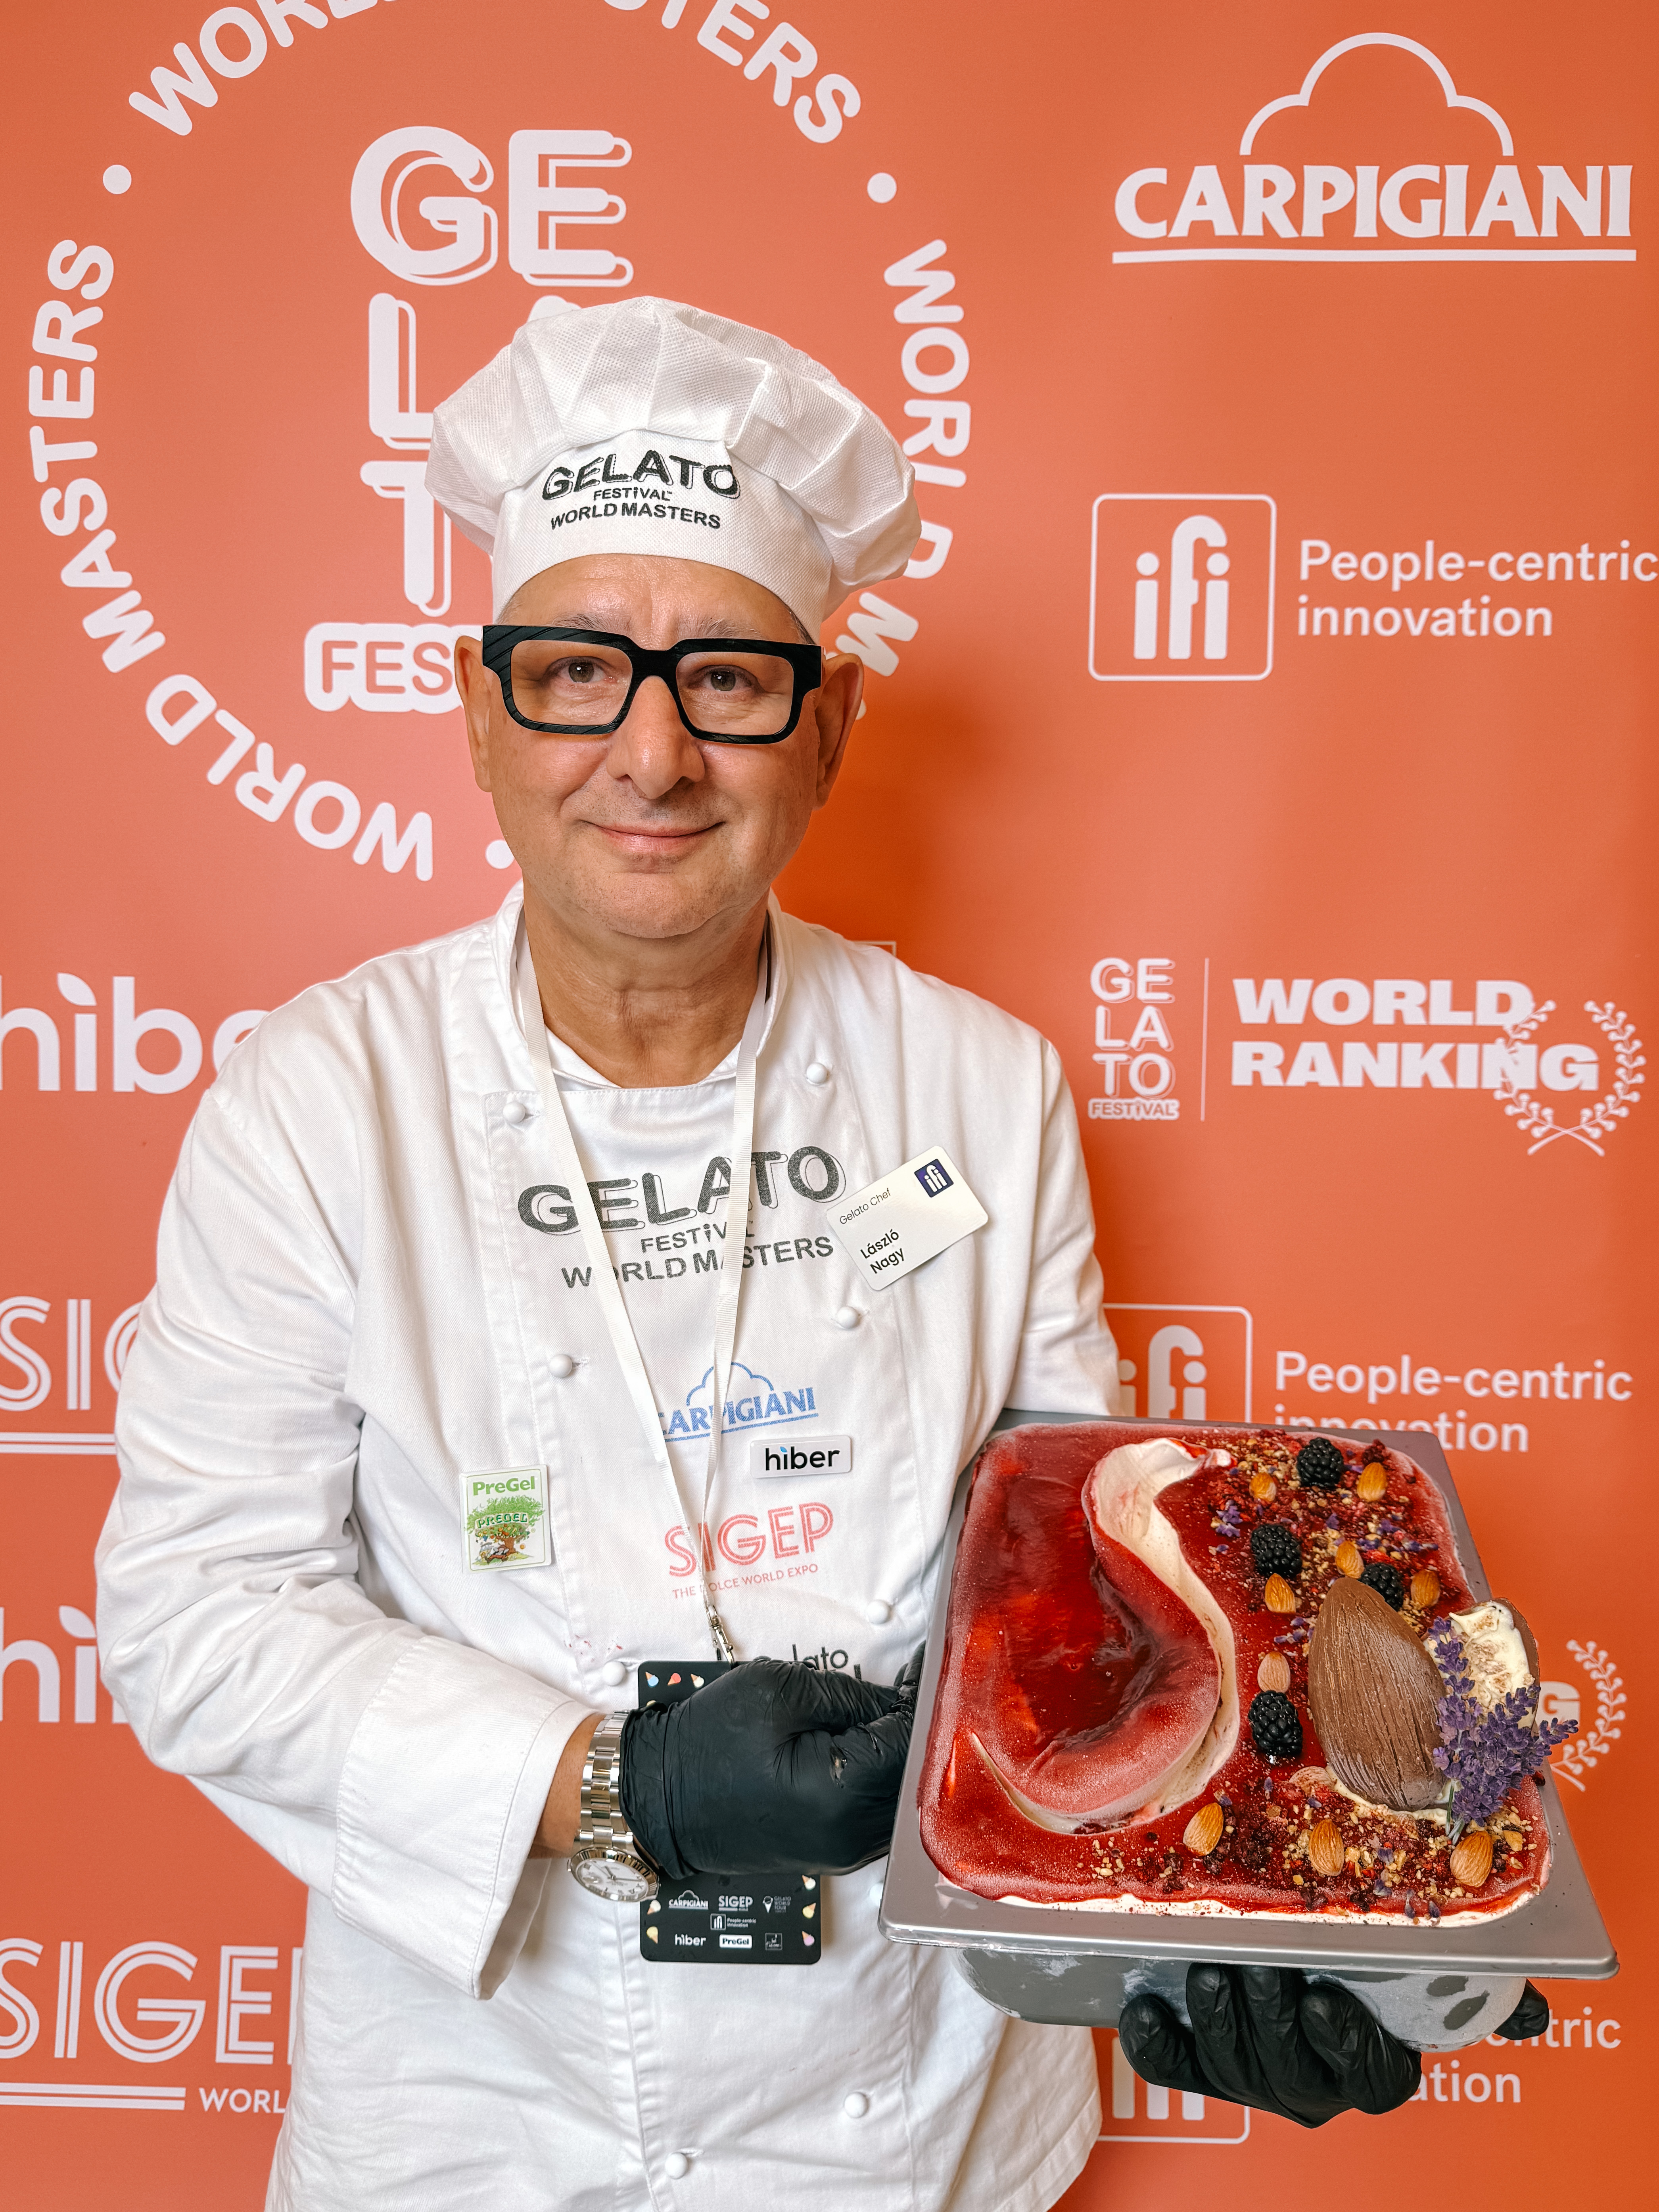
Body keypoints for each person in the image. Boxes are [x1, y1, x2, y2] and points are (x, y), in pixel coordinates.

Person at [97, 296, 1435, 2212]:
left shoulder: (978, 1088)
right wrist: (614, 1782)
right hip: (471, 2119)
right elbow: (200, 1615)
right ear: (479, 714)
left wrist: (1202, 1925)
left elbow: (1088, 1588)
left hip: (910, 2104)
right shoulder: (321, 1100)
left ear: (826, 727)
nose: (648, 755)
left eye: (725, 678)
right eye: (576, 672)